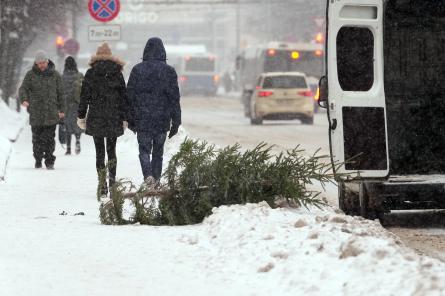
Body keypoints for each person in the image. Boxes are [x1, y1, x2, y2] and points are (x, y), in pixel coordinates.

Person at [127, 37, 181, 186]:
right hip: (162, 118)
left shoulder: (137, 70)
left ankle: (148, 175)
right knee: (158, 151)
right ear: (163, 52)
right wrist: (176, 121)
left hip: (142, 117)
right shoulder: (169, 71)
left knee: (144, 150)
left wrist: (130, 118)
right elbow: (174, 98)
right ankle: (156, 180)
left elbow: (129, 96)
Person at [77, 43, 128, 197]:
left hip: (96, 116)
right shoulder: (117, 73)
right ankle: (112, 184)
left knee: (99, 153)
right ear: (111, 56)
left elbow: (84, 96)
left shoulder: (91, 73)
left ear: (96, 57)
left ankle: (102, 185)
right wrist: (125, 117)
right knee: (111, 151)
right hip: (113, 116)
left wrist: (81, 115)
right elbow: (124, 97)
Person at [19, 50, 65, 170]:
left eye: (43, 63)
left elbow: (61, 93)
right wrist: (24, 99)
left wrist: (62, 109)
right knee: (37, 139)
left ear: (47, 61)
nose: (42, 65)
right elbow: (23, 89)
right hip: (36, 113)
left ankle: (49, 161)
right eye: (39, 63)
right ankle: (38, 159)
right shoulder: (30, 75)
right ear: (36, 63)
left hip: (51, 113)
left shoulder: (55, 75)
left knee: (50, 139)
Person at [62, 56, 84, 155]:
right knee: (77, 125)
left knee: (67, 125)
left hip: (66, 104)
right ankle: (78, 140)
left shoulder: (62, 77)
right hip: (76, 104)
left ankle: (68, 148)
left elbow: (60, 91)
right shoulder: (79, 75)